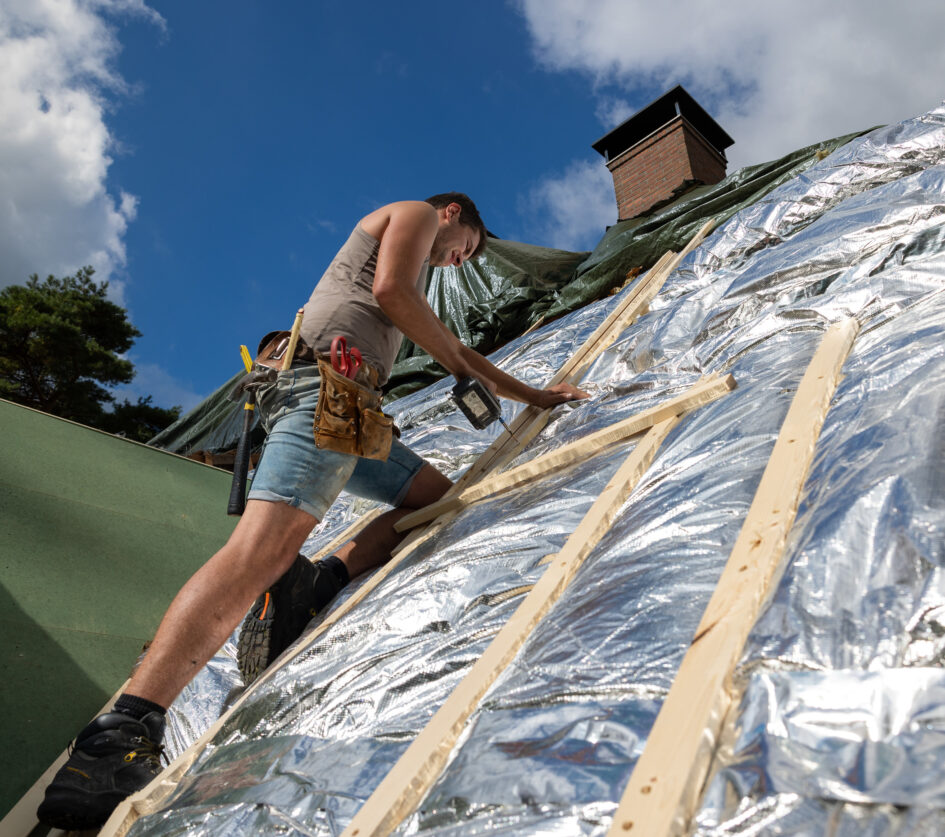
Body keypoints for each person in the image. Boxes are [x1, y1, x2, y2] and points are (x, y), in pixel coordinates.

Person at [37, 193, 588, 829]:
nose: (462, 261)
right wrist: (463, 368)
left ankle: (314, 581)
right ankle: (117, 740)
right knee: (257, 551)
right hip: (321, 391)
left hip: (353, 412)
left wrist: (534, 395)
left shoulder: (419, 268)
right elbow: (391, 294)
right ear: (453, 213)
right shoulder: (412, 213)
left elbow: (441, 338)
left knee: (438, 501)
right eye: (468, 246)